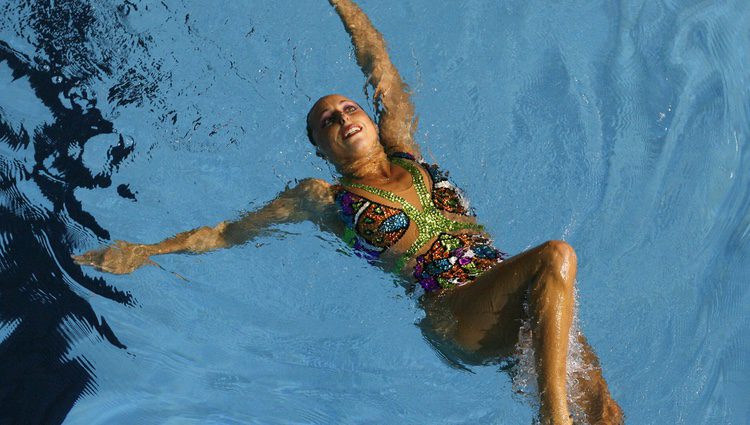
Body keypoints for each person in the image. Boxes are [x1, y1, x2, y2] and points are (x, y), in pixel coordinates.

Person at [73, 1, 623, 423]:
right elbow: (226, 232)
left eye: (347, 107)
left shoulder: (409, 152)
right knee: (557, 256)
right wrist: (143, 252)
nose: (342, 117)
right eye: (327, 121)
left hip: (517, 292)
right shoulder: (324, 198)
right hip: (456, 315)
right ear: (321, 149)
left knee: (605, 410)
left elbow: (380, 68)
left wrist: (345, 6)